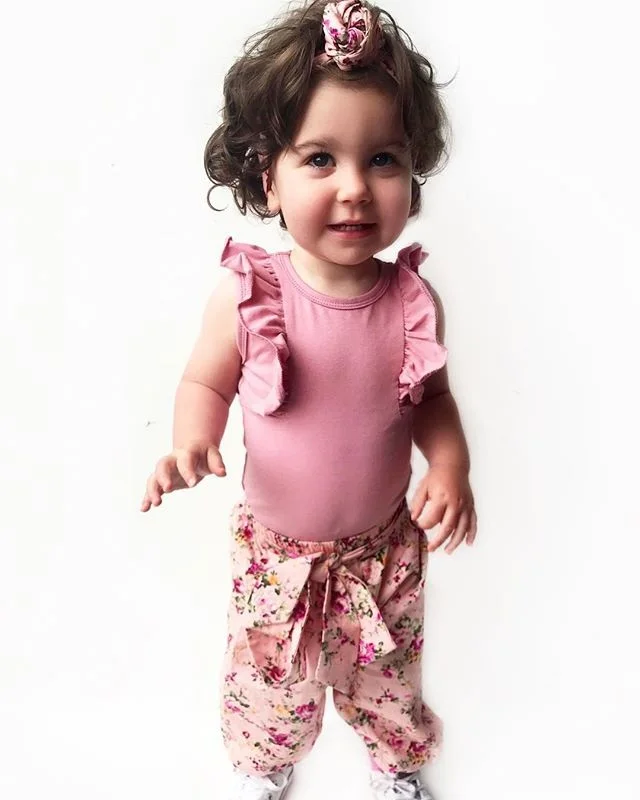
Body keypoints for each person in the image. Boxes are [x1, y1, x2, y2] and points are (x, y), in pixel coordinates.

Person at [141, 1, 477, 797]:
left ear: (412, 177)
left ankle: (395, 765)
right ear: (269, 180)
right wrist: (193, 439)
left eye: (383, 159)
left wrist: (450, 468)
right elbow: (205, 379)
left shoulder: (411, 300)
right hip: (277, 558)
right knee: (270, 685)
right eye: (321, 159)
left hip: (381, 552)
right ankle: (267, 763)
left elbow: (432, 398)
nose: (355, 188)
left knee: (387, 680)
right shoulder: (250, 294)